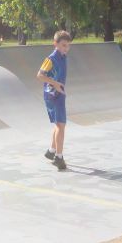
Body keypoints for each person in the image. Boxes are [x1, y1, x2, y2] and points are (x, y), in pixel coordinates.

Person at [37, 30, 72, 171]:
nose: (66, 48)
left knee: (58, 125)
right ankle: (59, 157)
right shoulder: (50, 59)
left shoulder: (63, 57)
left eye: (68, 45)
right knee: (61, 126)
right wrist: (55, 84)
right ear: (55, 44)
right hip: (53, 95)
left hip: (56, 94)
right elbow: (39, 75)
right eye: (63, 45)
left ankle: (51, 151)